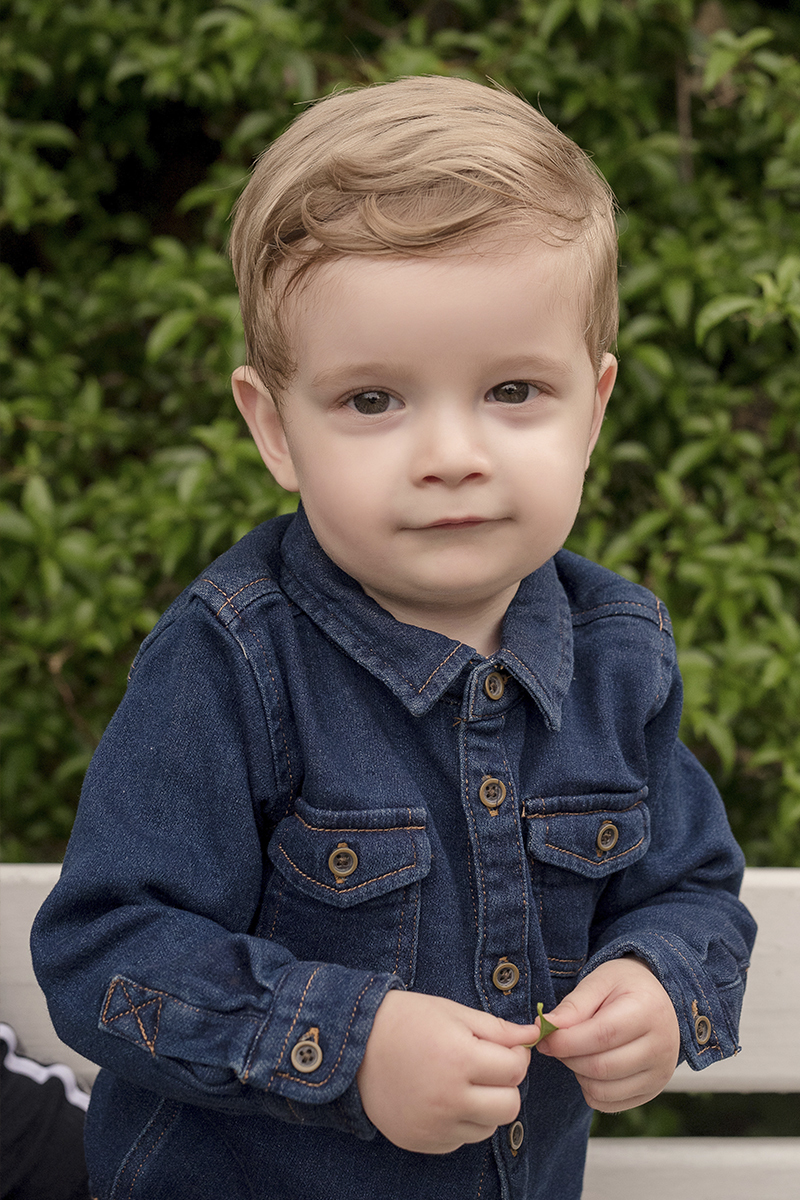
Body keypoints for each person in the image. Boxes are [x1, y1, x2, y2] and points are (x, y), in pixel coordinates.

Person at [31, 76, 756, 1200]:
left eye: (513, 389)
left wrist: (660, 982)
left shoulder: (619, 654)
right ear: (274, 427)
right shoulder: (233, 659)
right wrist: (348, 1043)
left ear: (594, 408)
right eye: (374, 401)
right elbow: (105, 950)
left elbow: (691, 890)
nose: (451, 453)